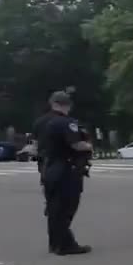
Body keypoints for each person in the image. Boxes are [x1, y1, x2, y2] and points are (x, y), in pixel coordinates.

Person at [33, 91, 92, 255]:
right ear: (66, 105)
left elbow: (36, 146)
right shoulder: (67, 122)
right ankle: (65, 245)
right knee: (66, 207)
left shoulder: (39, 122)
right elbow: (75, 145)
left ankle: (55, 243)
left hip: (46, 168)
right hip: (66, 169)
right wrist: (89, 146)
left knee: (53, 208)